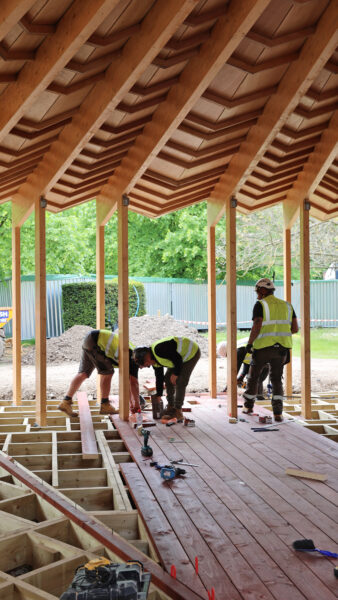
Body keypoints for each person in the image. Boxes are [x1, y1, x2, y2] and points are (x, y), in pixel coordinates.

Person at [242, 278, 298, 421]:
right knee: (276, 379)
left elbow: (257, 325)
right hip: (281, 350)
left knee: (253, 376)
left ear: (263, 290)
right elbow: (295, 328)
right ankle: (278, 413)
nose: (257, 295)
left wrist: (249, 344)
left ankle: (248, 406)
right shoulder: (287, 305)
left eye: (257, 292)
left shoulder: (260, 304)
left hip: (262, 348)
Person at [58, 329, 141, 417]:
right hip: (96, 342)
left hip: (91, 339)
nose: (143, 368)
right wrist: (136, 403)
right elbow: (133, 383)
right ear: (140, 361)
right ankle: (105, 405)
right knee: (108, 372)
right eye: (146, 365)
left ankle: (65, 402)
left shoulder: (134, 354)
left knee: (83, 373)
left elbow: (129, 382)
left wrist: (131, 402)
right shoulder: (132, 358)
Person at [133, 337, 201, 421]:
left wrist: (176, 374)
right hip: (178, 358)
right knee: (168, 379)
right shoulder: (154, 361)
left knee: (180, 381)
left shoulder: (159, 349)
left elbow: (178, 359)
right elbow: (159, 378)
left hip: (191, 353)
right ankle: (171, 407)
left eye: (144, 363)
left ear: (147, 356)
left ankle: (177, 410)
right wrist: (159, 394)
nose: (146, 365)